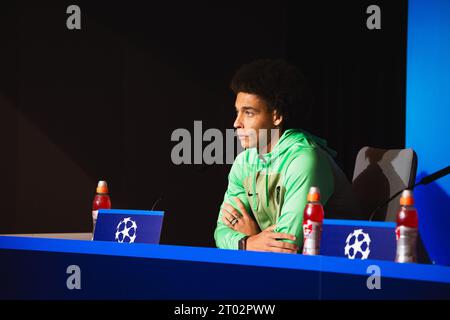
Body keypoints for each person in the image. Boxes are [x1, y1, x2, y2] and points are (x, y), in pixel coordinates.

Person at [214, 59, 359, 253]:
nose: (236, 123)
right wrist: (246, 243)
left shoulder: (305, 160)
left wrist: (252, 236)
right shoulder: (244, 162)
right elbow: (221, 232)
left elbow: (287, 245)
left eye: (248, 113)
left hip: (332, 271)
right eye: (237, 112)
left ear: (277, 116)